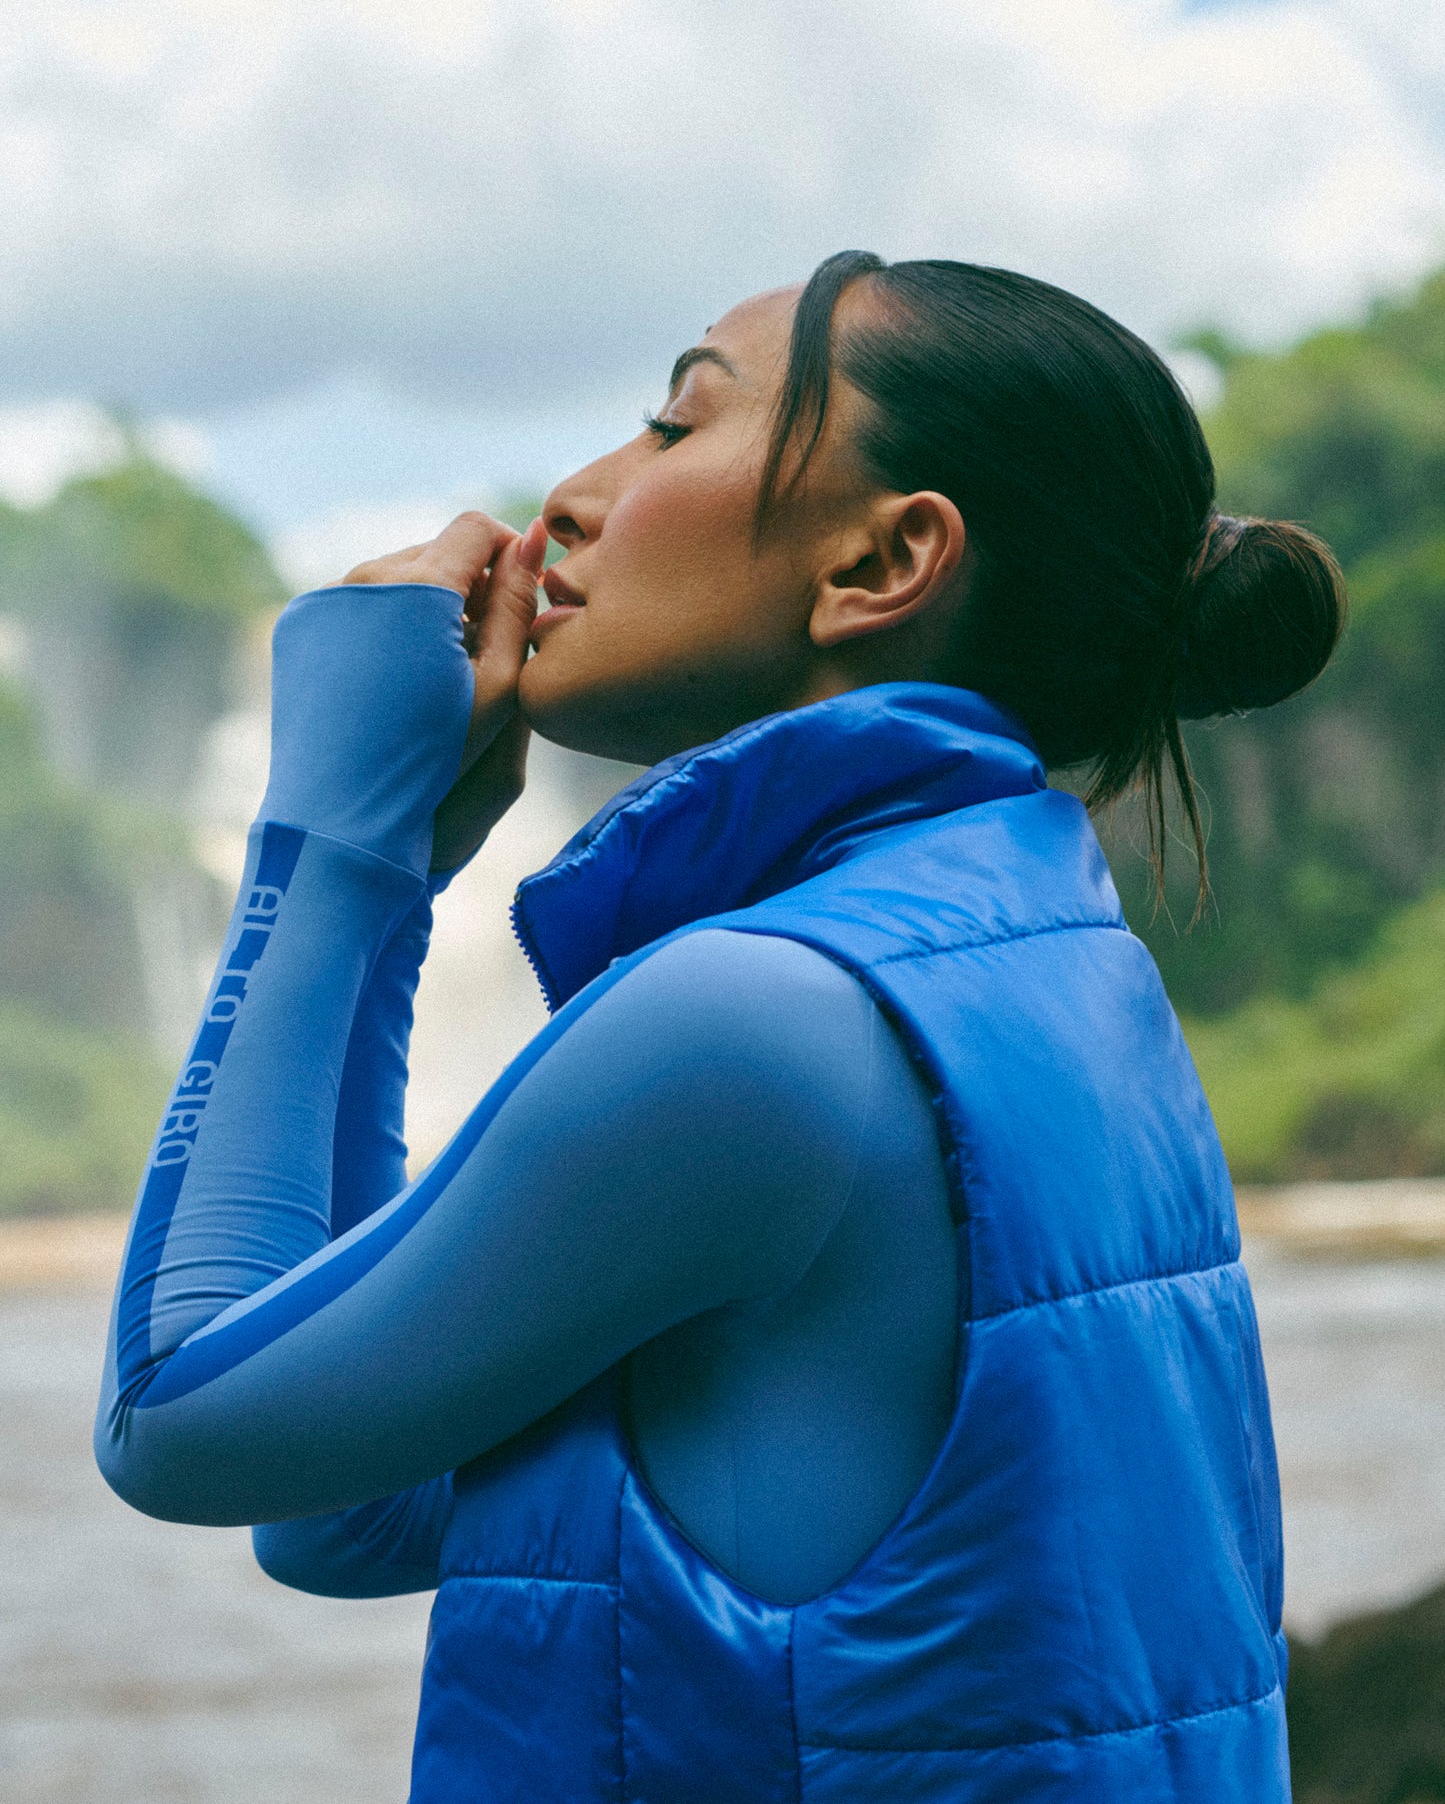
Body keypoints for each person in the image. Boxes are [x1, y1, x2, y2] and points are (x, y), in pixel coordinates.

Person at [96, 252, 1344, 1800]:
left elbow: (178, 1419)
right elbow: (346, 1501)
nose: (567, 496)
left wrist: (328, 849)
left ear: (881, 562)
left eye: (673, 426)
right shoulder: (1041, 968)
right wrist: (403, 875)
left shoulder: (759, 1020)